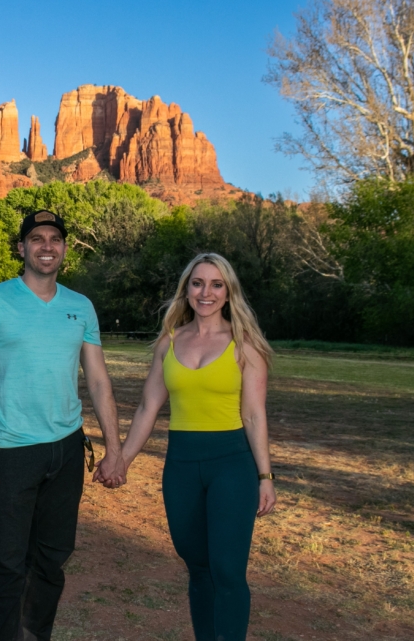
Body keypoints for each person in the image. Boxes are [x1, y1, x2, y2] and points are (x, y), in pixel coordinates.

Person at [0, 209, 127, 641]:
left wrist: (115, 448)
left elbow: (99, 379)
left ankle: (35, 635)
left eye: (54, 238)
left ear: (65, 248)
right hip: (13, 453)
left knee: (52, 559)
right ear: (22, 248)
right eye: (37, 238)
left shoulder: (80, 305)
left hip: (68, 450)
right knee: (8, 563)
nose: (46, 245)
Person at [119, 253, 276, 641]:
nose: (206, 292)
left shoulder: (246, 345)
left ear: (228, 292)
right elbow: (147, 407)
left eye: (216, 284)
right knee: (197, 565)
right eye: (198, 283)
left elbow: (254, 416)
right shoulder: (168, 343)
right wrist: (120, 460)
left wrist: (265, 476)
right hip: (182, 466)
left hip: (231, 465)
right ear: (186, 289)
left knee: (226, 569)